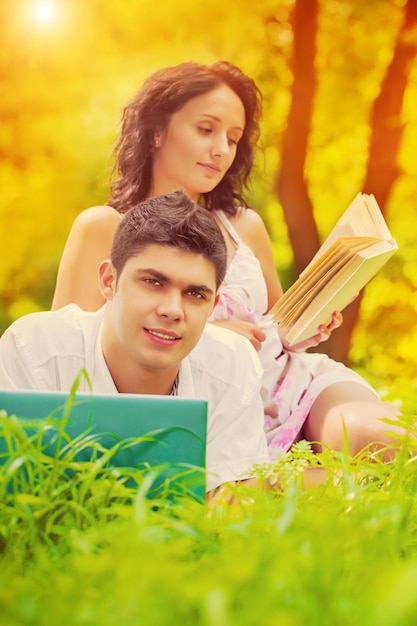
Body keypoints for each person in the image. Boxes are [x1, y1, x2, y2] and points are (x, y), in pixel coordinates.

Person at [50, 60, 407, 461]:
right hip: (208, 404)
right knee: (268, 483)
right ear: (155, 132)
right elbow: (69, 360)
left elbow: (276, 326)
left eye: (233, 138)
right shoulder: (103, 227)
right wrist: (211, 339)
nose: (221, 150)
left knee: (382, 439)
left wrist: (308, 321)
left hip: (288, 384)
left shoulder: (244, 225)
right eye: (206, 130)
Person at [0, 191, 271, 500]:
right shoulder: (33, 350)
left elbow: (235, 507)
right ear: (108, 281)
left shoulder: (233, 365)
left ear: (214, 305)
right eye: (153, 282)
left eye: (195, 294)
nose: (173, 309)